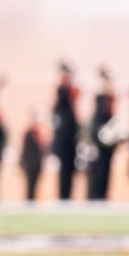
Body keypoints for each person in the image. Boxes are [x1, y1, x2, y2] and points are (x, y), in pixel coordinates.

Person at [86, 66, 118, 201]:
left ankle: (103, 197)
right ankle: (94, 198)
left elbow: (111, 119)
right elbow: (95, 121)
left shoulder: (111, 98)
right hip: (98, 140)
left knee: (105, 173)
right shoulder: (99, 98)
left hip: (108, 143)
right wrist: (92, 140)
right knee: (96, 173)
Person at [50, 60, 79, 201]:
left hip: (71, 138)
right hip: (63, 138)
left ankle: (68, 196)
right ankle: (63, 197)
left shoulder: (73, 90)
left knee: (70, 170)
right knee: (63, 171)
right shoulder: (62, 90)